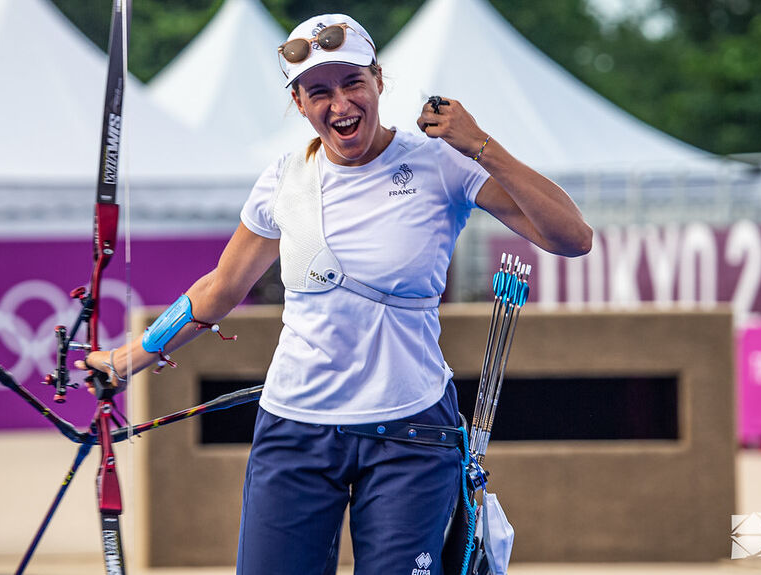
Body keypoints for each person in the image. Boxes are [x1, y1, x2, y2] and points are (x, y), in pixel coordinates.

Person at [79, 13, 591, 575]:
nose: (340, 104)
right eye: (318, 91)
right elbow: (221, 288)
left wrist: (481, 145)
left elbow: (572, 237)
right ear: (299, 103)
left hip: (411, 430)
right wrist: (127, 359)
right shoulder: (283, 178)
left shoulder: (442, 163)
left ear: (378, 82)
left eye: (353, 83)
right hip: (295, 428)